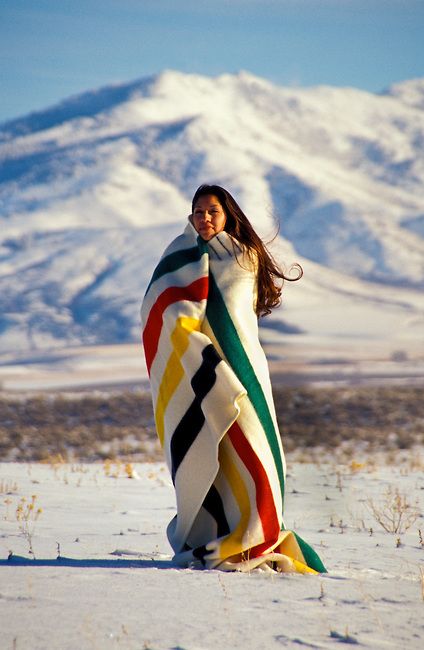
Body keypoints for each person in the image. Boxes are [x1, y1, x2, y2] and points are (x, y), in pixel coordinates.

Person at [141, 184, 327, 573]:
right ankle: (213, 534)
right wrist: (196, 350)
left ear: (228, 215)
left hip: (244, 373)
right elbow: (158, 310)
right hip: (199, 376)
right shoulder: (177, 257)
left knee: (257, 456)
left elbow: (237, 322)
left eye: (213, 211)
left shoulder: (244, 258)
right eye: (198, 212)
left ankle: (258, 535)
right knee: (212, 456)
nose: (204, 219)